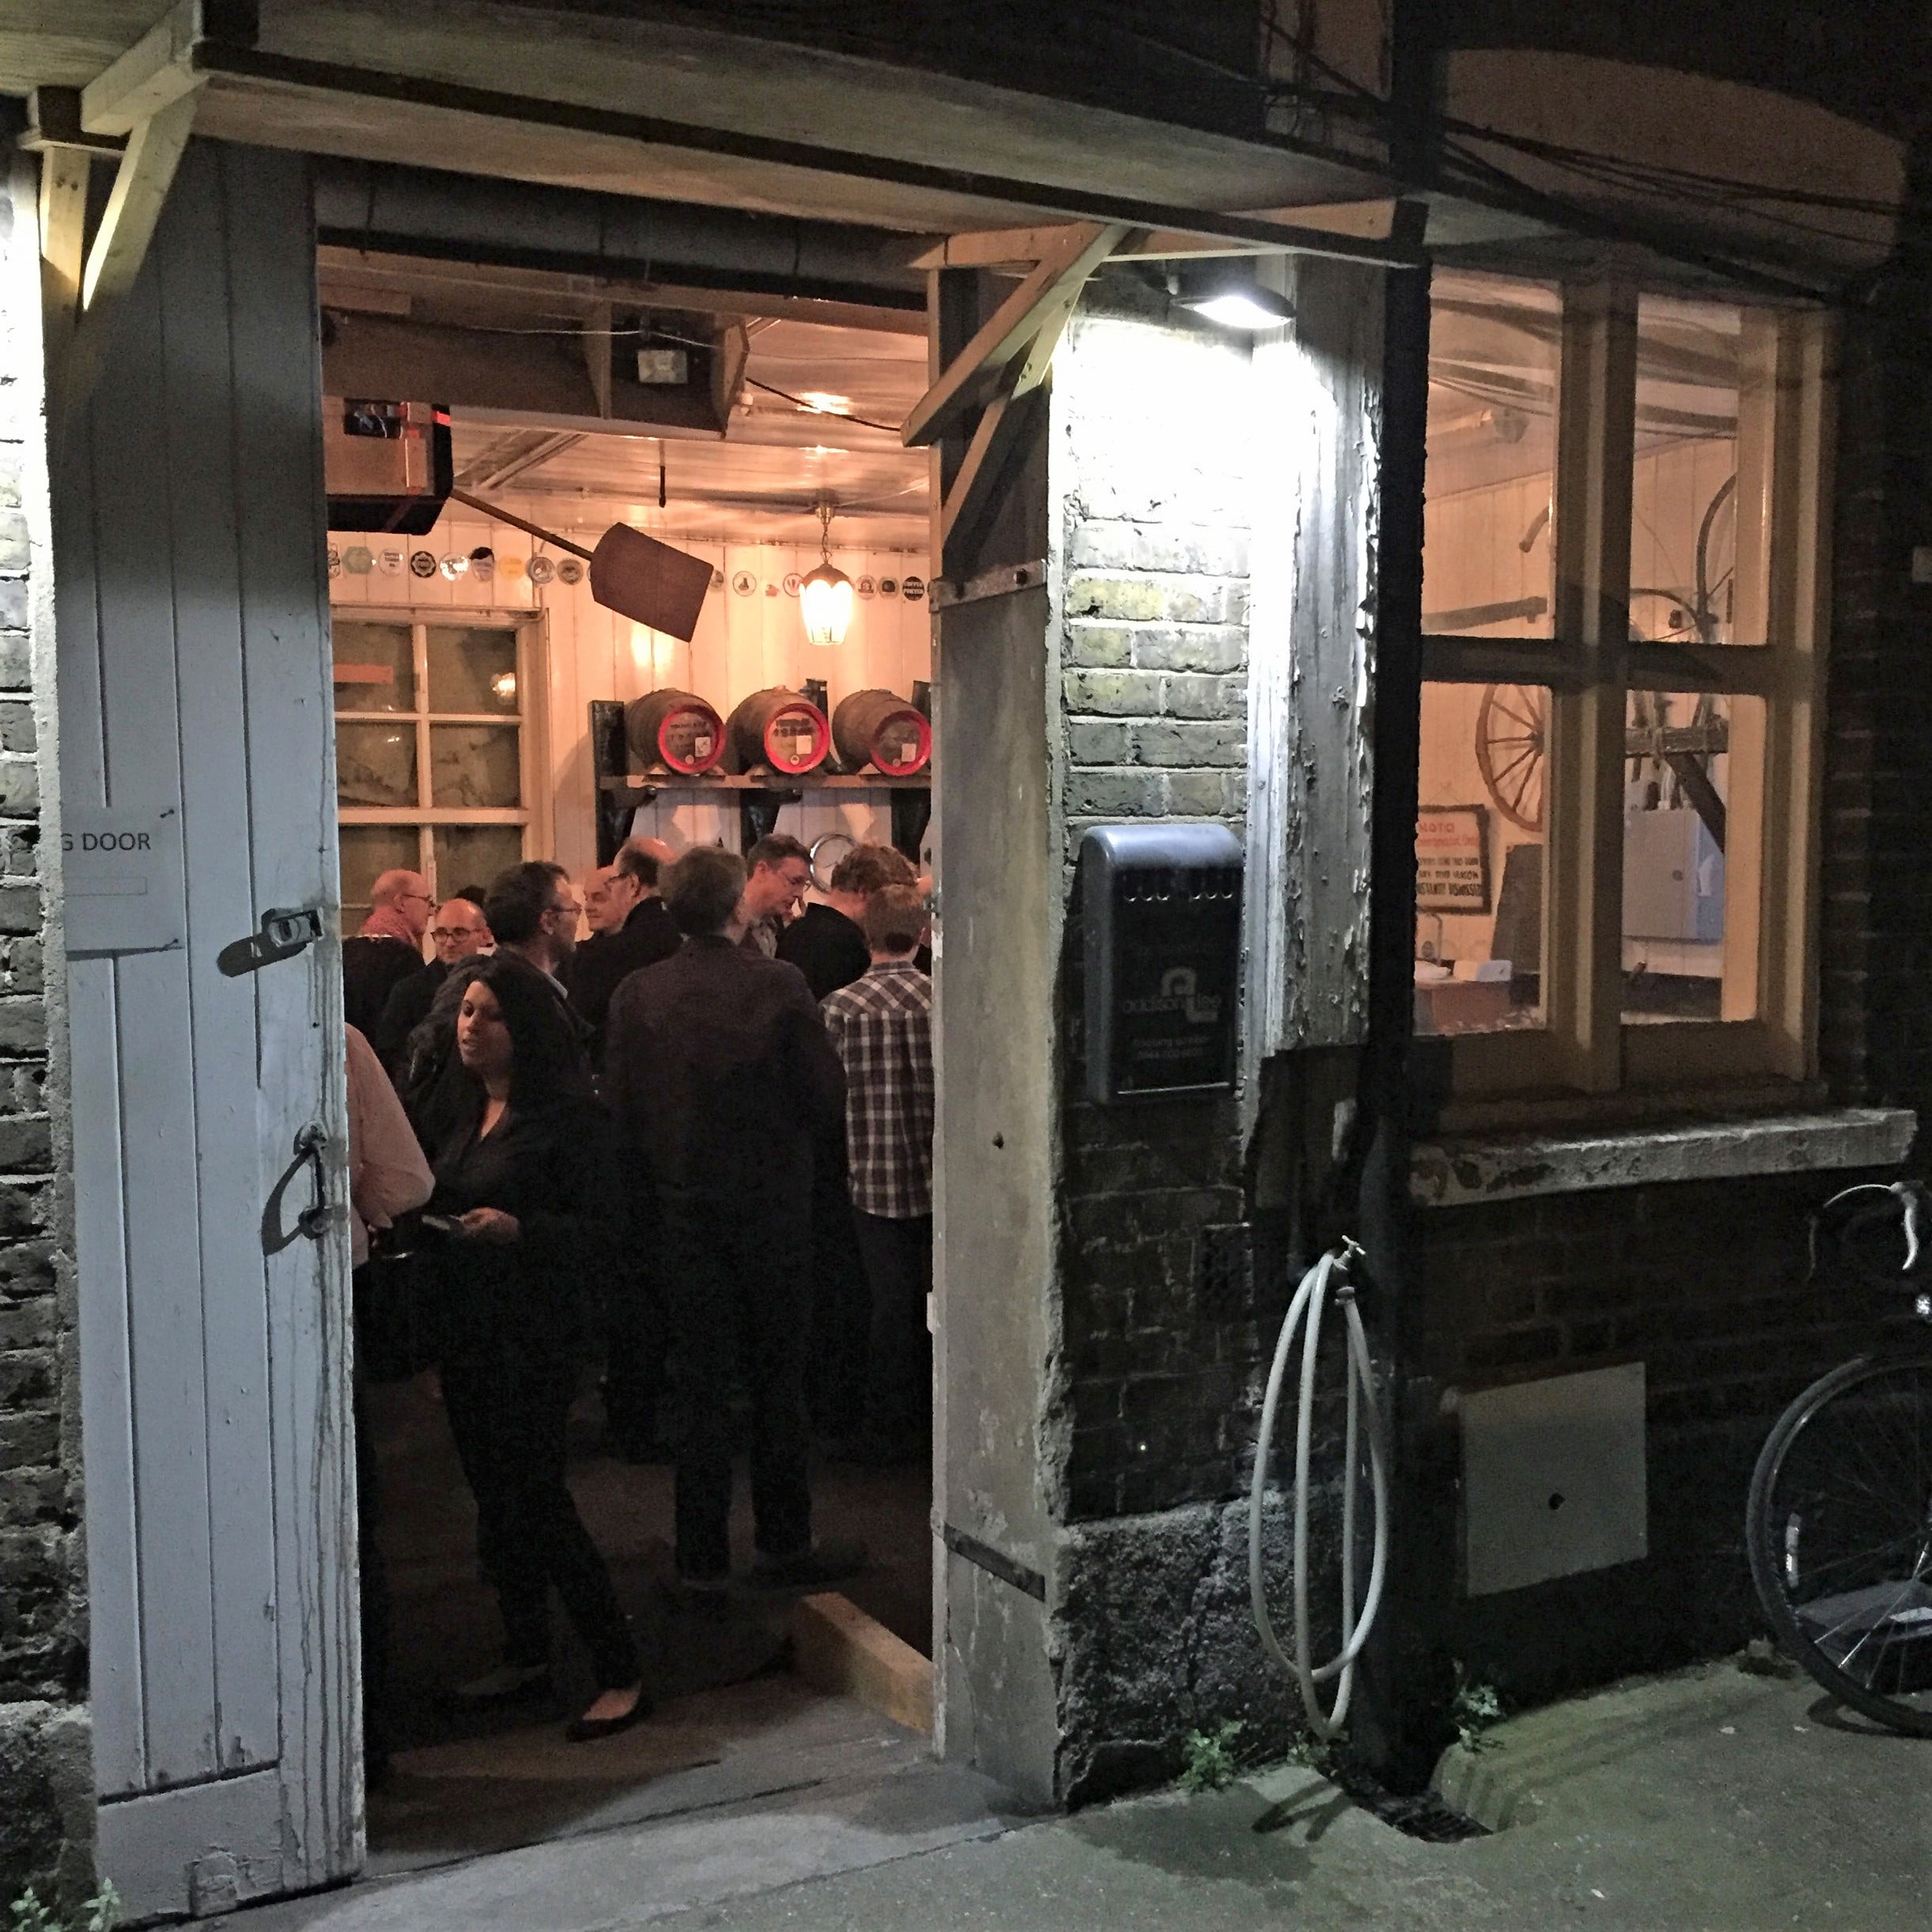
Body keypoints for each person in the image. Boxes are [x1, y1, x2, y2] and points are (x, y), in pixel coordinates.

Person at [604, 846, 862, 1593]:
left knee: (699, 1390)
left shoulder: (637, 993)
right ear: (735, 906)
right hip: (771, 1214)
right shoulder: (778, 983)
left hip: (679, 1216)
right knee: (779, 1382)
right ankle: (783, 1542)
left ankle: (699, 1557)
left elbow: (620, 1116)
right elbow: (823, 1099)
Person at [422, 956, 648, 1741]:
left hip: (536, 1330)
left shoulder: (568, 1120)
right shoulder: (460, 1111)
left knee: (539, 1496)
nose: (469, 1026)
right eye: (465, 1011)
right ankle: (526, 1651)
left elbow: (609, 1233)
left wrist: (521, 1230)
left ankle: (619, 1666)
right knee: (495, 1500)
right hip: (472, 1331)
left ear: (526, 1030)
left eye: (488, 1014)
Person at [345, 1023, 434, 1786]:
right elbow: (404, 1179)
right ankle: (367, 1735)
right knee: (349, 1514)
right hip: (329, 1287)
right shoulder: (337, 1043)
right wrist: (356, 1202)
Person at [819, 885, 935, 1463]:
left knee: (885, 1305)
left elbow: (823, 1097)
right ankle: (933, 1412)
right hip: (935, 1175)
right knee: (935, 1300)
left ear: (866, 935)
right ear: (920, 934)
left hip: (867, 1173)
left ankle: (888, 1422)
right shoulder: (940, 1000)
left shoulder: (839, 1007)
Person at [399, 863, 590, 1152]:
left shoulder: (470, 983)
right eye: (571, 910)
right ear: (548, 921)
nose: (577, 918)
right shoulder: (525, 1002)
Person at [568, 845, 682, 1052]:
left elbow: (581, 1037)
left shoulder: (599, 957)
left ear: (633, 884)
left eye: (612, 883)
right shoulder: (688, 940)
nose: (588, 907)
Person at [373, 895, 491, 1070]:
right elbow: (390, 1057)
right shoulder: (409, 991)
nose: (449, 942)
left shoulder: (493, 983)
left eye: (460, 933)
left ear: (484, 935)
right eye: (442, 934)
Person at [777, 845, 902, 1002]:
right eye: (889, 901)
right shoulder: (850, 946)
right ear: (864, 893)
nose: (891, 912)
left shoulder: (794, 932)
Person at [342, 869, 431, 1038]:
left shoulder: (344, 953)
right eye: (427, 900)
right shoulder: (406, 960)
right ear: (400, 902)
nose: (432, 911)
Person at [735, 833, 811, 958]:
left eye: (804, 885)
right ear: (762, 870)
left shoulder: (778, 926)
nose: (799, 894)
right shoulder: (727, 925)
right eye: (794, 881)